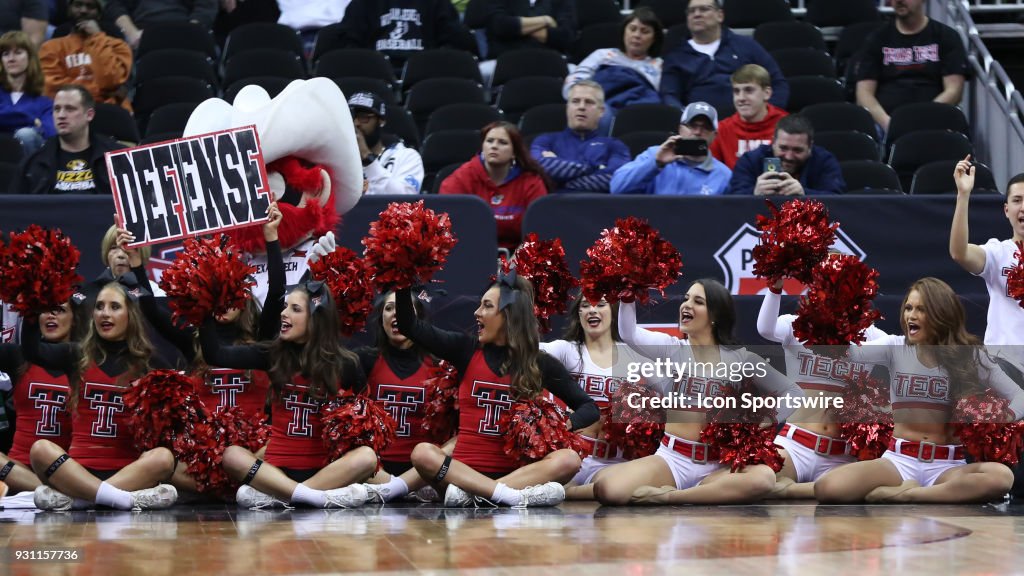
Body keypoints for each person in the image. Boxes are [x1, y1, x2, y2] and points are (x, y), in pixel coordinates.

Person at [590, 279, 804, 506]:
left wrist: (765, 420)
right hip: (673, 460)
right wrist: (627, 295)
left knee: (763, 479)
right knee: (608, 489)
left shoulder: (742, 359)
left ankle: (669, 497)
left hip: (719, 464)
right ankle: (705, 493)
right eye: (685, 299)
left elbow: (792, 392)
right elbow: (629, 333)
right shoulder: (671, 349)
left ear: (715, 315)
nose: (686, 305)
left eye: (698, 301)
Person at [395, 274, 600, 508]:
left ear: (507, 315)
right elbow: (409, 325)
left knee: (569, 459)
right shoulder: (465, 350)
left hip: (516, 475)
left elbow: (589, 408)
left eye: (487, 306)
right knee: (423, 453)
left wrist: (558, 426)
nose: (477, 313)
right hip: (462, 475)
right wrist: (402, 281)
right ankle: (504, 496)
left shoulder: (538, 362)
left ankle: (483, 496)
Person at [814, 278, 1024, 504]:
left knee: (1001, 477)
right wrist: (840, 309)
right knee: (827, 487)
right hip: (899, 462)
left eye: (921, 310)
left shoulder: (971, 355)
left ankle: (909, 494)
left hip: (947, 466)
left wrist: (1007, 416)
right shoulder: (894, 346)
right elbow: (845, 353)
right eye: (908, 308)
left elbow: (1019, 395)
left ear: (941, 313)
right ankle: (927, 494)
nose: (911, 316)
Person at [200, 282, 377, 509]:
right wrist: (204, 309)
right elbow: (215, 354)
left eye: (295, 309)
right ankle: (313, 498)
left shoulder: (346, 363)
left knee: (367, 457)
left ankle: (287, 497)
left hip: (324, 470)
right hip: (276, 470)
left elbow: (366, 423)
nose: (284, 313)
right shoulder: (272, 354)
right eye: (285, 307)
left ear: (316, 319)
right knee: (232, 455)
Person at [28, 279, 179, 511]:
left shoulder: (150, 363)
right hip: (78, 471)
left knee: (164, 457)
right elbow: (33, 351)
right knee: (40, 450)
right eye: (99, 306)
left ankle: (82, 501)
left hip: (129, 471)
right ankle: (120, 499)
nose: (104, 314)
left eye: (114, 307)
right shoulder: (76, 354)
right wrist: (30, 307)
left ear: (131, 314)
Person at [757, 279, 888, 499]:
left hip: (843, 455)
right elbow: (765, 329)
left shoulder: (872, 335)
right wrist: (775, 286)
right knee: (759, 479)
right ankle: (815, 490)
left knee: (863, 487)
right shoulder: (796, 325)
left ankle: (794, 490)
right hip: (795, 445)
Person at [539, 294, 655, 500]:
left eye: (600, 304)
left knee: (609, 486)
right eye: (585, 306)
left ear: (613, 312)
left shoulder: (634, 355)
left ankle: (561, 493)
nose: (592, 310)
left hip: (616, 462)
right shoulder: (568, 350)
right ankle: (563, 492)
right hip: (574, 456)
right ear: (579, 314)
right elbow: (527, 352)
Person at [357, 290, 453, 503]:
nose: (396, 314)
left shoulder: (439, 365)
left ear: (417, 318)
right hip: (375, 469)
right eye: (389, 308)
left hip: (422, 471)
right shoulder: (364, 360)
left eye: (404, 309)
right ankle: (398, 489)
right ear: (380, 318)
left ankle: (394, 490)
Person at [0, 299, 80, 495]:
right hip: (17, 470)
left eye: (59, 310)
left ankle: (57, 490)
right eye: (44, 311)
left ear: (74, 320)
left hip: (63, 468)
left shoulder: (84, 361)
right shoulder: (17, 356)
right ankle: (51, 492)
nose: (50, 315)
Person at [950, 158, 1024, 369]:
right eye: (1017, 200)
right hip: (1004, 366)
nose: (1023, 207)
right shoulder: (997, 252)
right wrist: (963, 195)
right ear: (1006, 209)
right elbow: (959, 252)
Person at [855, 0, 967, 133]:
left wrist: (922, 119)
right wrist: (890, 124)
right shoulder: (876, 39)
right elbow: (864, 94)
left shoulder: (946, 36)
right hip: (886, 123)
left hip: (934, 120)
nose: (899, 1)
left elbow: (954, 91)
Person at [660, 0, 788, 114]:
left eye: (704, 9)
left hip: (749, 120)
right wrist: (687, 119)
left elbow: (777, 82)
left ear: (720, 15)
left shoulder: (746, 45)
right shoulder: (676, 56)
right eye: (691, 11)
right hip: (701, 125)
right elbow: (669, 96)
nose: (697, 14)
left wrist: (767, 114)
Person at [439, 121, 549, 252]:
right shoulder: (462, 177)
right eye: (490, 141)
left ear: (514, 152)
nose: (494, 146)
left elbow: (539, 231)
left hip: (519, 256)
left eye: (502, 142)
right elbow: (447, 225)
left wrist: (511, 266)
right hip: (469, 252)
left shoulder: (531, 182)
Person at [563, 8, 664, 133]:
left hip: (639, 111)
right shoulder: (603, 55)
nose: (637, 35)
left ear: (654, 38)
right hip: (603, 105)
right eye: (632, 29)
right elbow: (575, 81)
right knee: (597, 112)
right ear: (624, 32)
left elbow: (665, 96)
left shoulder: (659, 65)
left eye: (645, 31)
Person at [14, 83, 124, 195]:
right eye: (57, 109)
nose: (61, 115)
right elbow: (17, 209)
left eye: (70, 109)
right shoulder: (32, 164)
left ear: (89, 115)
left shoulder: (119, 159)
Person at [610, 101, 731, 196]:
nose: (698, 132)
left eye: (706, 127)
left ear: (714, 136)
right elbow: (616, 188)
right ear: (680, 129)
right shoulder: (655, 154)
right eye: (692, 125)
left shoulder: (724, 175)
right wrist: (655, 163)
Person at [530, 81, 630, 194]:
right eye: (575, 101)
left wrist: (560, 179)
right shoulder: (545, 141)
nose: (581, 107)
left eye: (589, 102)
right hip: (555, 208)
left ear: (601, 111)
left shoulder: (616, 146)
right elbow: (538, 168)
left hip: (600, 208)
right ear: (568, 107)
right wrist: (595, 168)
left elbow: (615, 180)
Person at [39, 0, 133, 111]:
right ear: (69, 9)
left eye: (90, 6)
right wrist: (102, 92)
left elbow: (110, 80)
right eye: (78, 5)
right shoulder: (50, 48)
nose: (83, 10)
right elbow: (51, 87)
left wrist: (97, 37)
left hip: (110, 112)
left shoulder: (118, 46)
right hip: (68, 111)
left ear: (99, 13)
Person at [327, 0, 475, 68]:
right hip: (375, 72)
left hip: (424, 72)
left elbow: (458, 40)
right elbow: (349, 41)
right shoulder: (364, 3)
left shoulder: (437, 3)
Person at [726, 114, 845, 196]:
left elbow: (838, 200)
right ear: (773, 142)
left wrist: (804, 193)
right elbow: (732, 200)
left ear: (810, 147)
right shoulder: (751, 160)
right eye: (783, 148)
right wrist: (754, 193)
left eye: (797, 150)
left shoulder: (824, 161)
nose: (788, 156)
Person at [710, 64, 788, 169]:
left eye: (749, 90)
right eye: (736, 91)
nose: (741, 98)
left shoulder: (786, 126)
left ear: (767, 93)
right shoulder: (722, 130)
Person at [348, 91, 424, 195]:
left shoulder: (407, 156)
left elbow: (405, 200)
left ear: (381, 121)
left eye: (363, 117)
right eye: (351, 117)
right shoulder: (336, 158)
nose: (355, 123)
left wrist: (367, 157)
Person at [0, 30, 55, 155]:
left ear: (30, 58)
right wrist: (30, 119)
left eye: (18, 53)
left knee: (26, 134)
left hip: (29, 160)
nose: (11, 59)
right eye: (5, 54)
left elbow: (50, 134)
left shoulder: (45, 103)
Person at [105, 0, 219, 49]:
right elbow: (114, 6)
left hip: (186, 30)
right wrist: (131, 33)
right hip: (141, 35)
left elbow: (206, 6)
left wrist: (190, 33)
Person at [480, 0, 576, 59]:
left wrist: (519, 28)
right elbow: (499, 26)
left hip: (549, 60)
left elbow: (565, 36)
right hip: (504, 59)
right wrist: (546, 20)